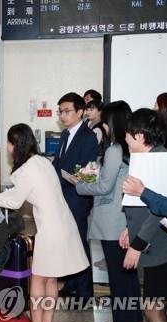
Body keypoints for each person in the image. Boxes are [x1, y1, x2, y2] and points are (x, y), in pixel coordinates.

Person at [0, 124, 89, 322]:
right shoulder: (42, 162)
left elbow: (14, 201)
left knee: (38, 280)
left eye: (8, 142)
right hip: (65, 224)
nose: (7, 146)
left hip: (50, 230)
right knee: (52, 279)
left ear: (15, 144)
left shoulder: (25, 170)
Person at [74, 101, 142, 322]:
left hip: (112, 222)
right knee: (128, 278)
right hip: (123, 220)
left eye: (105, 121)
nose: (102, 125)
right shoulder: (129, 148)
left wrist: (80, 185)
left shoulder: (115, 149)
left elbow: (103, 186)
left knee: (119, 279)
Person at [121, 108, 167, 322]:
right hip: (158, 247)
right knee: (160, 307)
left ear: (140, 136)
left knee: (153, 308)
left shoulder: (159, 161)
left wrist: (137, 245)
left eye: (128, 133)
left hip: (162, 248)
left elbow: (159, 211)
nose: (125, 137)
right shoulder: (149, 158)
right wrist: (128, 228)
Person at [52, 92, 97, 299]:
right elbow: (59, 163)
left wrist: (70, 178)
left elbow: (89, 172)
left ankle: (85, 291)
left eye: (67, 111)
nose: (63, 115)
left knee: (78, 242)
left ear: (80, 112)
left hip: (77, 198)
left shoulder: (88, 137)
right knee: (67, 243)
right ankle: (70, 285)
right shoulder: (65, 134)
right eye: (60, 111)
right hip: (63, 196)